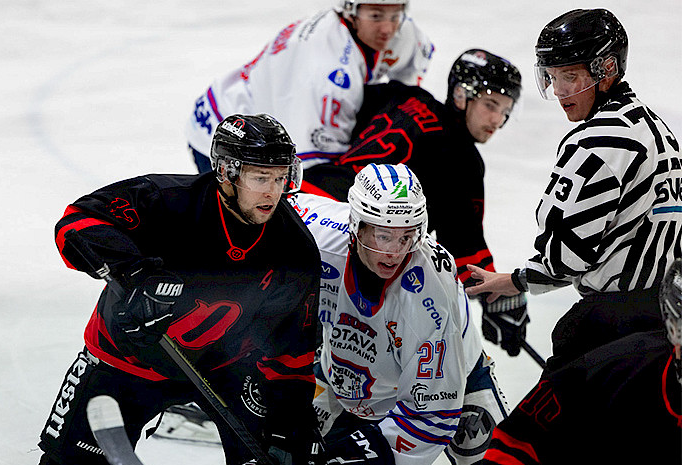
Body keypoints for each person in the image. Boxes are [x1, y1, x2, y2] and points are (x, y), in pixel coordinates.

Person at [37, 114, 322, 465]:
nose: (273, 191)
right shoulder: (167, 202)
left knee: (284, 457)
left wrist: (291, 419)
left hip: (227, 368)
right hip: (125, 359)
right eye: (260, 177)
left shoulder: (294, 248)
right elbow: (76, 221)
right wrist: (134, 272)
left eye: (280, 178)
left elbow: (292, 347)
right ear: (225, 173)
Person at [465, 8, 682, 370]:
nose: (559, 90)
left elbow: (569, 255)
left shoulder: (596, 141)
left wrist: (518, 282)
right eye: (551, 76)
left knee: (525, 428)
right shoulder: (658, 130)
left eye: (570, 75)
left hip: (612, 328)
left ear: (606, 70)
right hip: (668, 323)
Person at [301, 49, 530, 360]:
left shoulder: (405, 96)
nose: (496, 120)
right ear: (461, 95)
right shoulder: (461, 158)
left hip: (302, 197)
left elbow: (340, 103)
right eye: (490, 105)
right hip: (348, 234)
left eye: (505, 111)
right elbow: (464, 247)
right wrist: (498, 296)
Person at [288, 164, 508, 465]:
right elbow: (260, 208)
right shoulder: (318, 234)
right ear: (357, 225)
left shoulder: (428, 291)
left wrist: (365, 455)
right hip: (343, 376)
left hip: (453, 383)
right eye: (383, 236)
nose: (395, 253)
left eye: (406, 237)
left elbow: (431, 415)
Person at [185, 0, 434, 173]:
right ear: (350, 11)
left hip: (271, 97)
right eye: (376, 16)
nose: (388, 28)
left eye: (394, 14)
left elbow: (410, 81)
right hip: (223, 127)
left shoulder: (403, 32)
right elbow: (315, 174)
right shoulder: (327, 75)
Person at [479, 258, 682, 464]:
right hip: (607, 325)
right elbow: (516, 447)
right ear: (674, 330)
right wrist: (515, 282)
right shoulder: (607, 372)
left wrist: (517, 282)